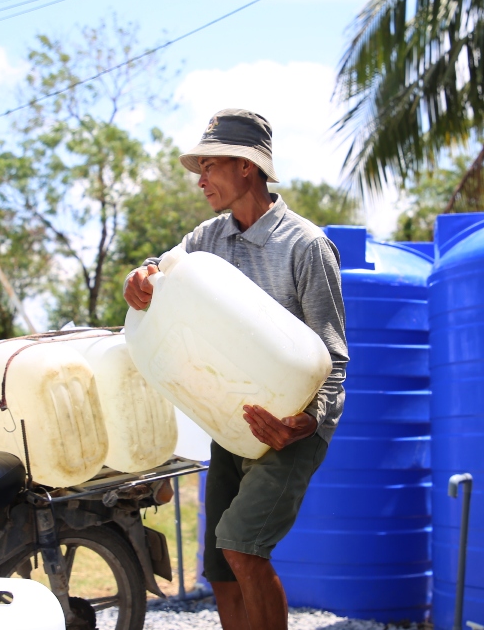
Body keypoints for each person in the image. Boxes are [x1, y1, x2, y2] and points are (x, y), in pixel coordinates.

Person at [123, 108, 348, 630]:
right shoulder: (208, 238)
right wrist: (141, 277)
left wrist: (306, 422)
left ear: (247, 167)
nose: (200, 179)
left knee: (244, 549)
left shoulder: (307, 246)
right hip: (232, 420)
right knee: (222, 567)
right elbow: (161, 271)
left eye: (210, 165)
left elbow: (334, 357)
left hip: (292, 426)